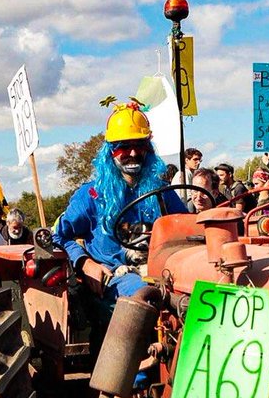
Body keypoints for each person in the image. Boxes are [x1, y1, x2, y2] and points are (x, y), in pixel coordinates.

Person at [53, 100, 186, 305]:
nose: (133, 153)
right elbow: (59, 237)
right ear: (110, 151)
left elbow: (187, 227)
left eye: (139, 145)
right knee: (146, 294)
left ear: (148, 149)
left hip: (162, 270)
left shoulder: (163, 192)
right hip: (116, 278)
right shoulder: (91, 195)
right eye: (124, 147)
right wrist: (85, 263)